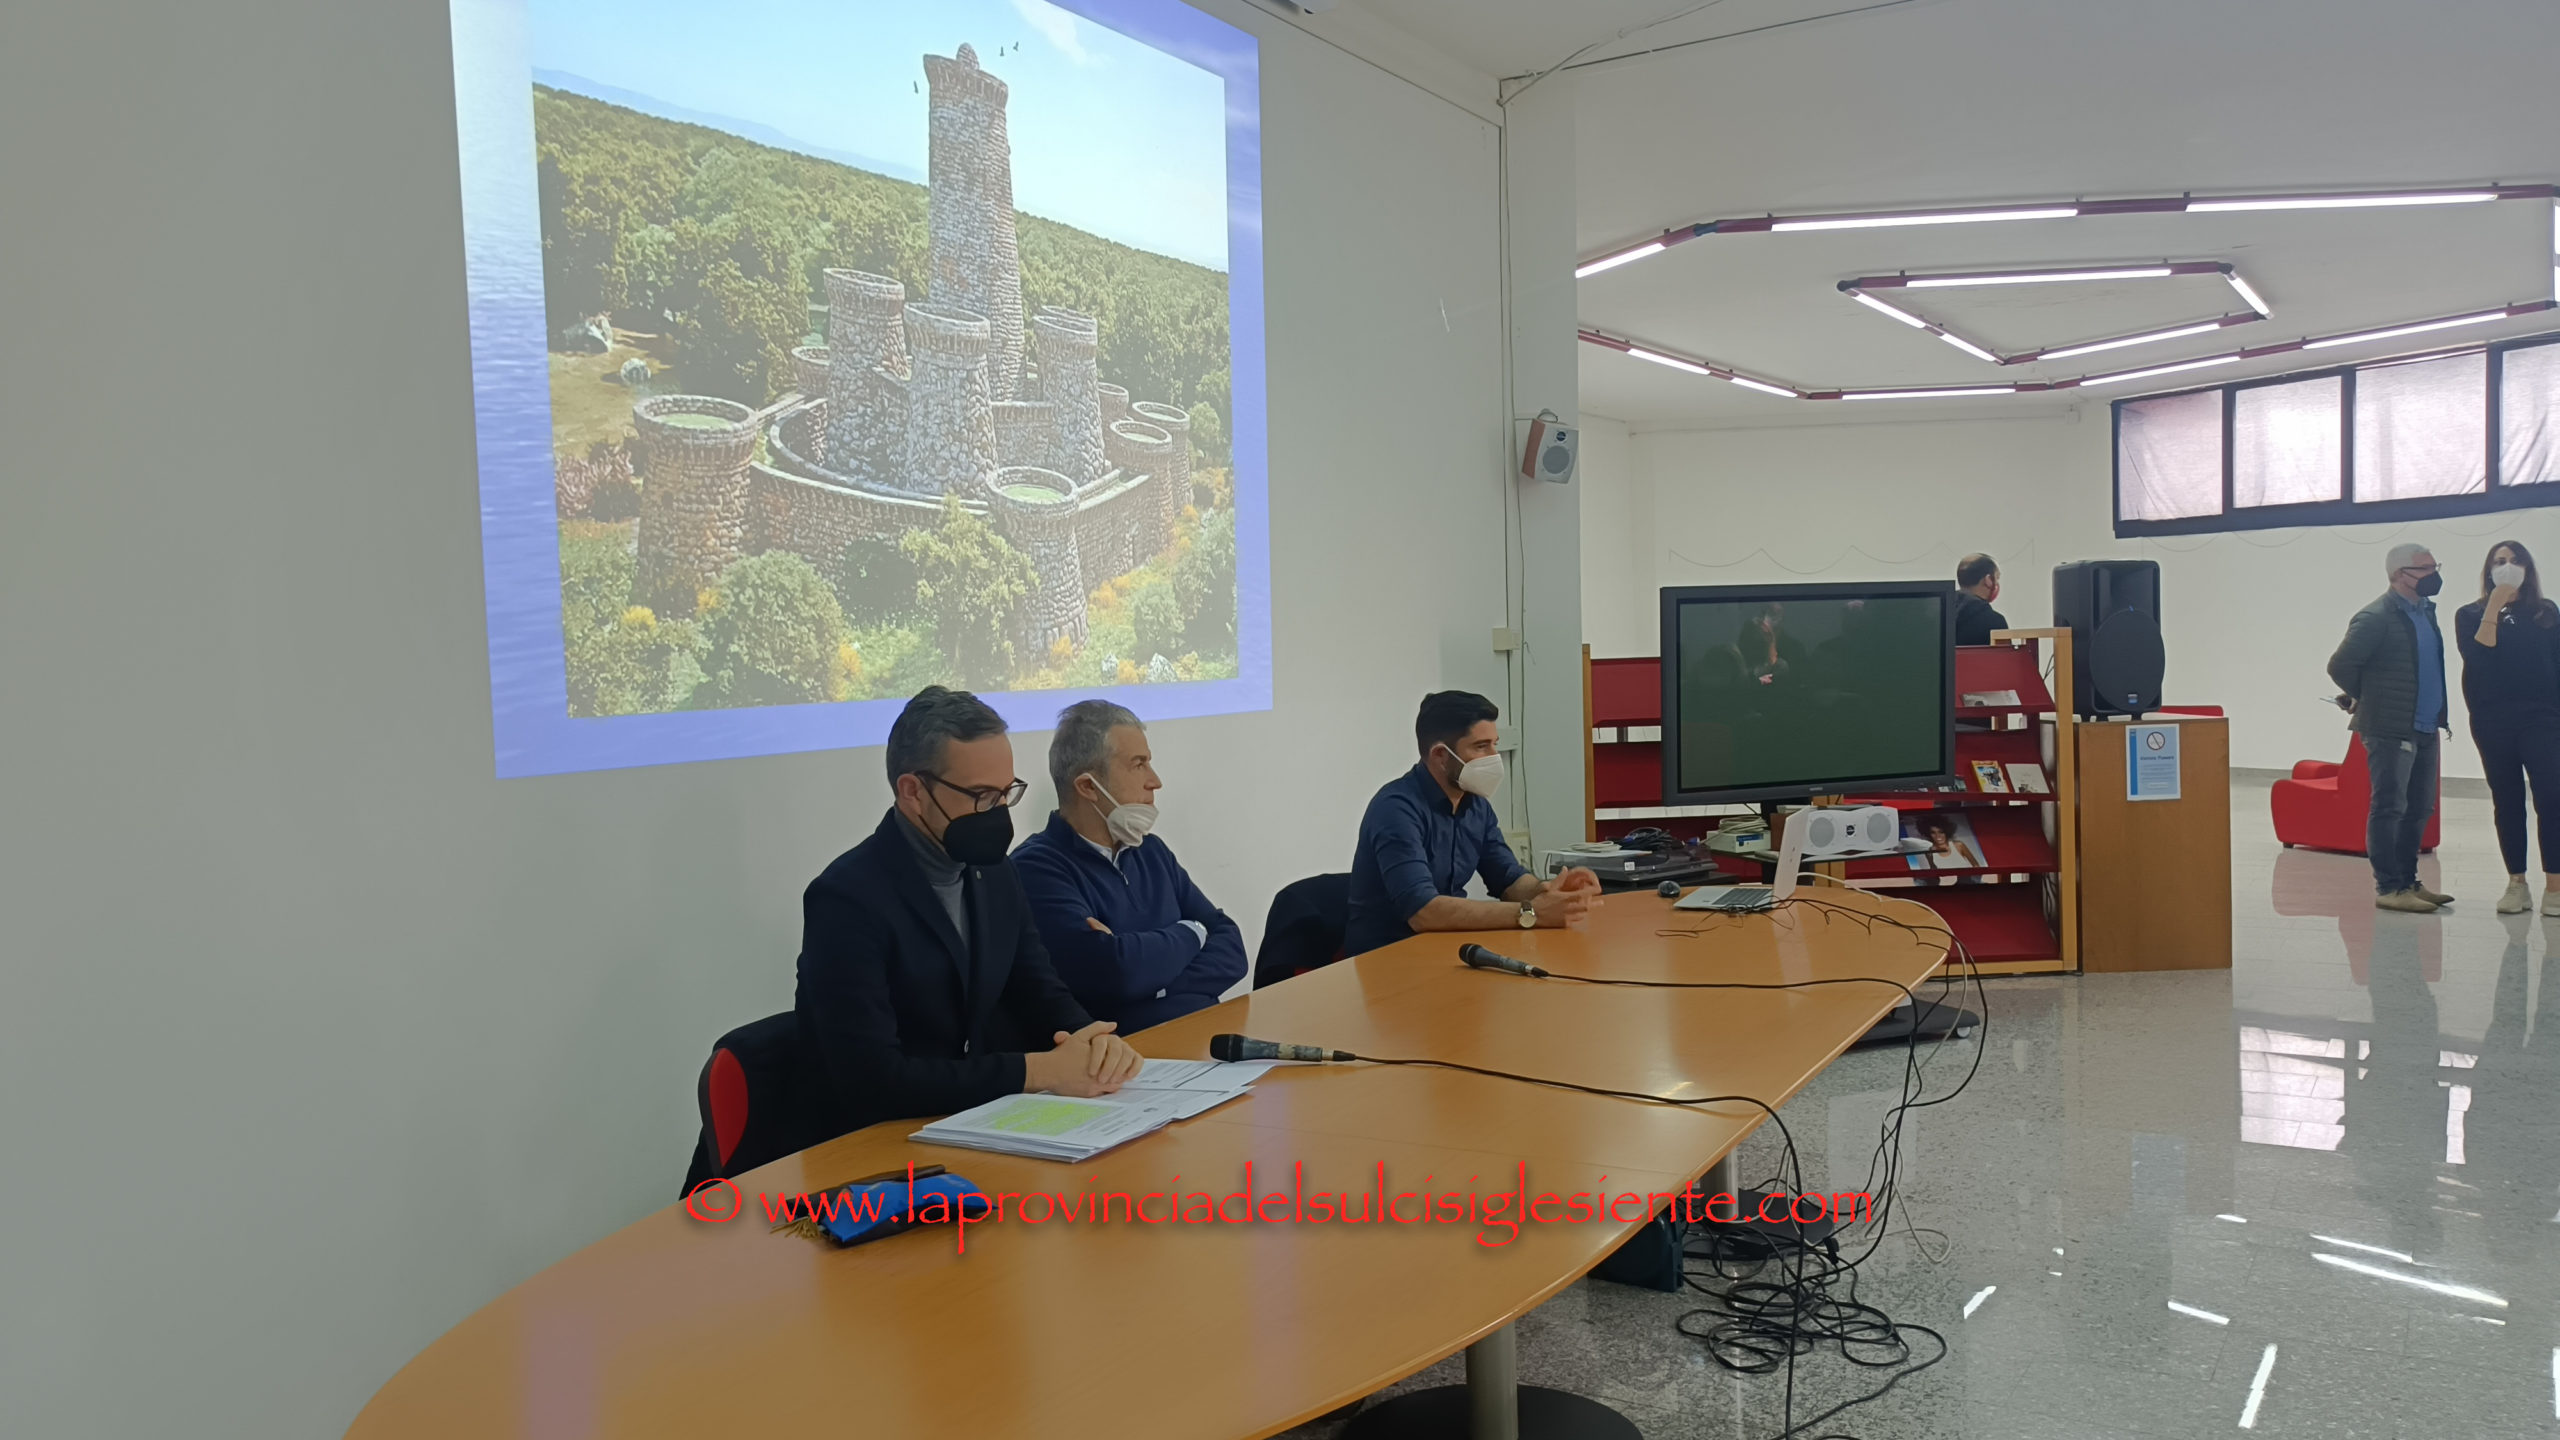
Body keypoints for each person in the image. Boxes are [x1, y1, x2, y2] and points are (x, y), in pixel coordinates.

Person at [795, 686, 1143, 1142]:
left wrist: (1094, 1042)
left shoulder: (995, 872)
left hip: (981, 1123)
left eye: (1006, 793)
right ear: (913, 791)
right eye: (981, 795)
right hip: (877, 1143)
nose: (997, 813)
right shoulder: (845, 900)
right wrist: (1037, 1071)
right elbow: (873, 1081)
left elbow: (1037, 989)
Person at [1012, 700, 1248, 1030]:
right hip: (1129, 1051)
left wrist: (1155, 986)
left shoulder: (1151, 851)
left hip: (1202, 1033)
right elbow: (1116, 974)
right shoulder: (1035, 868)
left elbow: (1232, 948)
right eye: (1138, 765)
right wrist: (1193, 931)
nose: (1155, 781)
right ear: (1087, 787)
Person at [1343, 691, 1601, 957]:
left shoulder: (1476, 805)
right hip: (1387, 957)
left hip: (1445, 950)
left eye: (1494, 744)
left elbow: (1508, 878)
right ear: (1441, 755)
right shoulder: (1395, 809)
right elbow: (1423, 912)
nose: (1494, 757)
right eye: (1481, 746)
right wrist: (1532, 912)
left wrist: (1549, 890)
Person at [2327, 543, 2452, 913]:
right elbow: (2340, 665)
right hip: (2390, 728)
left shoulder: (2426, 612)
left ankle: (2408, 881)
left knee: (2419, 808)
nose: (2433, 574)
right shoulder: (2375, 617)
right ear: (2400, 574)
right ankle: (2389, 887)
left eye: (2435, 566)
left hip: (2426, 726)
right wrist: (2368, 697)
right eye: (2425, 568)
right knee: (2389, 807)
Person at [2455, 540, 2560, 914]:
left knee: (2552, 797)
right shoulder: (2469, 614)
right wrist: (2495, 604)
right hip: (2492, 720)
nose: (2508, 566)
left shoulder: (2546, 612)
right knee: (2508, 799)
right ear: (2488, 570)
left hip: (2542, 719)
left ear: (2528, 568)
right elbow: (2478, 656)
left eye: (2515, 561)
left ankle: (2555, 887)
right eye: (2499, 561)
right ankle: (2517, 884)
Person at [1953, 554, 2008, 646]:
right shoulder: (1995, 622)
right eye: (1997, 578)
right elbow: (2005, 654)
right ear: (1988, 580)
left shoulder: (1941, 614)